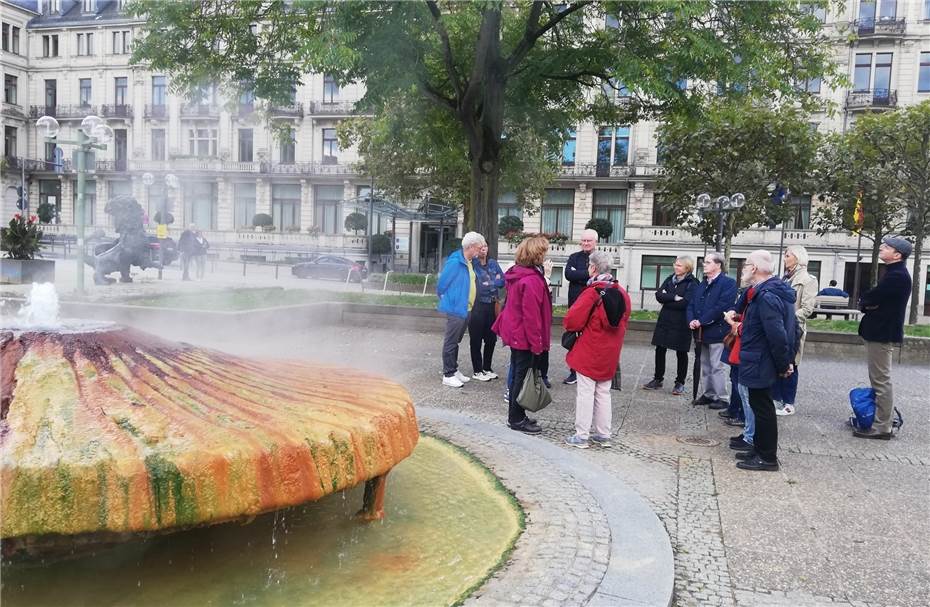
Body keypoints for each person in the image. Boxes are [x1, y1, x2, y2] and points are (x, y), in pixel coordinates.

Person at [729, 250, 797, 472]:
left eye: (746, 264)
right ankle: (759, 449)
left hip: (761, 360)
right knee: (760, 407)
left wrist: (783, 364)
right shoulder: (763, 292)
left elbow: (777, 334)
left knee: (763, 409)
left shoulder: (767, 296)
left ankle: (767, 457)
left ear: (755, 269)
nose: (744, 268)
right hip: (758, 358)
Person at [563, 251, 630, 448]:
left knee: (585, 392)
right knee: (603, 392)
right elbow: (625, 319)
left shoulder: (592, 293)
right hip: (611, 350)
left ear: (593, 268)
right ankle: (603, 434)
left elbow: (572, 321)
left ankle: (582, 435)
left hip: (590, 348)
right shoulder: (622, 293)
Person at [492, 236, 553, 435]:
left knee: (519, 374)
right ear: (536, 255)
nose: (546, 255)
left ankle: (516, 415)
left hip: (518, 333)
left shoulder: (521, 275)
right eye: (543, 252)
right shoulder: (531, 280)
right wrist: (538, 345)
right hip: (524, 336)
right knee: (521, 376)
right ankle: (516, 418)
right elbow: (532, 317)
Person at [854, 236, 912, 440]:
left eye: (887, 247)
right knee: (878, 378)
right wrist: (868, 302)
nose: (882, 248)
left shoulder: (897, 276)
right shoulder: (893, 273)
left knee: (881, 380)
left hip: (881, 333)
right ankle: (880, 422)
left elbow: (872, 298)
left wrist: (867, 303)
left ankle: (882, 426)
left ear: (897, 254)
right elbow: (870, 299)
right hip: (879, 331)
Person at [686, 252, 737, 409]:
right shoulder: (703, 283)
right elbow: (691, 304)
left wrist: (701, 320)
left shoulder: (728, 283)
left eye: (708, 262)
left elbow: (721, 307)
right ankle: (709, 394)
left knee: (716, 365)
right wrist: (691, 320)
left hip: (718, 331)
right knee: (705, 365)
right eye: (704, 262)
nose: (704, 265)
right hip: (701, 332)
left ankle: (722, 397)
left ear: (718, 265)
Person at [436, 231, 486, 388]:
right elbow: (441, 285)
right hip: (456, 308)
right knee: (451, 341)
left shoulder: (469, 261)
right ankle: (448, 374)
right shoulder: (456, 262)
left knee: (456, 341)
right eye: (478, 248)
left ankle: (454, 369)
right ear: (470, 247)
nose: (480, 251)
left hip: (466, 308)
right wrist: (449, 300)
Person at [643, 256, 698, 395]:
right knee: (660, 349)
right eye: (675, 264)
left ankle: (680, 382)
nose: (675, 267)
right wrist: (673, 297)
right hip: (665, 320)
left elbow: (686, 303)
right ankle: (657, 379)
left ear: (687, 268)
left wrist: (667, 298)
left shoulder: (693, 282)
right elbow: (658, 295)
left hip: (681, 322)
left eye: (679, 265)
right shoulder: (669, 279)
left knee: (681, 352)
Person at [772, 245, 817, 416]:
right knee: (777, 361)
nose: (784, 258)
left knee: (791, 363)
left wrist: (788, 318)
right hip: (779, 326)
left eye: (787, 255)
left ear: (797, 258)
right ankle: (776, 398)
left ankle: (789, 402)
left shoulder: (808, 279)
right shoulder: (784, 278)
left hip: (794, 328)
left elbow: (807, 308)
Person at [561, 228, 598, 385]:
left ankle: (590, 370)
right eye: (583, 240)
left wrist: (580, 275)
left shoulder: (600, 258)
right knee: (573, 338)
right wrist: (587, 274)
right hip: (576, 304)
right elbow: (569, 274)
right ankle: (574, 372)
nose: (585, 243)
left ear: (596, 242)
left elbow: (600, 277)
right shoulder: (573, 257)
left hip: (594, 305)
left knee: (591, 338)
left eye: (589, 241)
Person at [469, 243, 504, 381]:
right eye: (481, 246)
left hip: (492, 304)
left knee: (491, 339)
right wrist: (492, 281)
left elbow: (502, 280)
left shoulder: (493, 263)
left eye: (486, 246)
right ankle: (477, 370)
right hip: (477, 305)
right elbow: (478, 286)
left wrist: (489, 283)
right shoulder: (473, 265)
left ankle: (487, 367)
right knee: (476, 339)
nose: (484, 249)